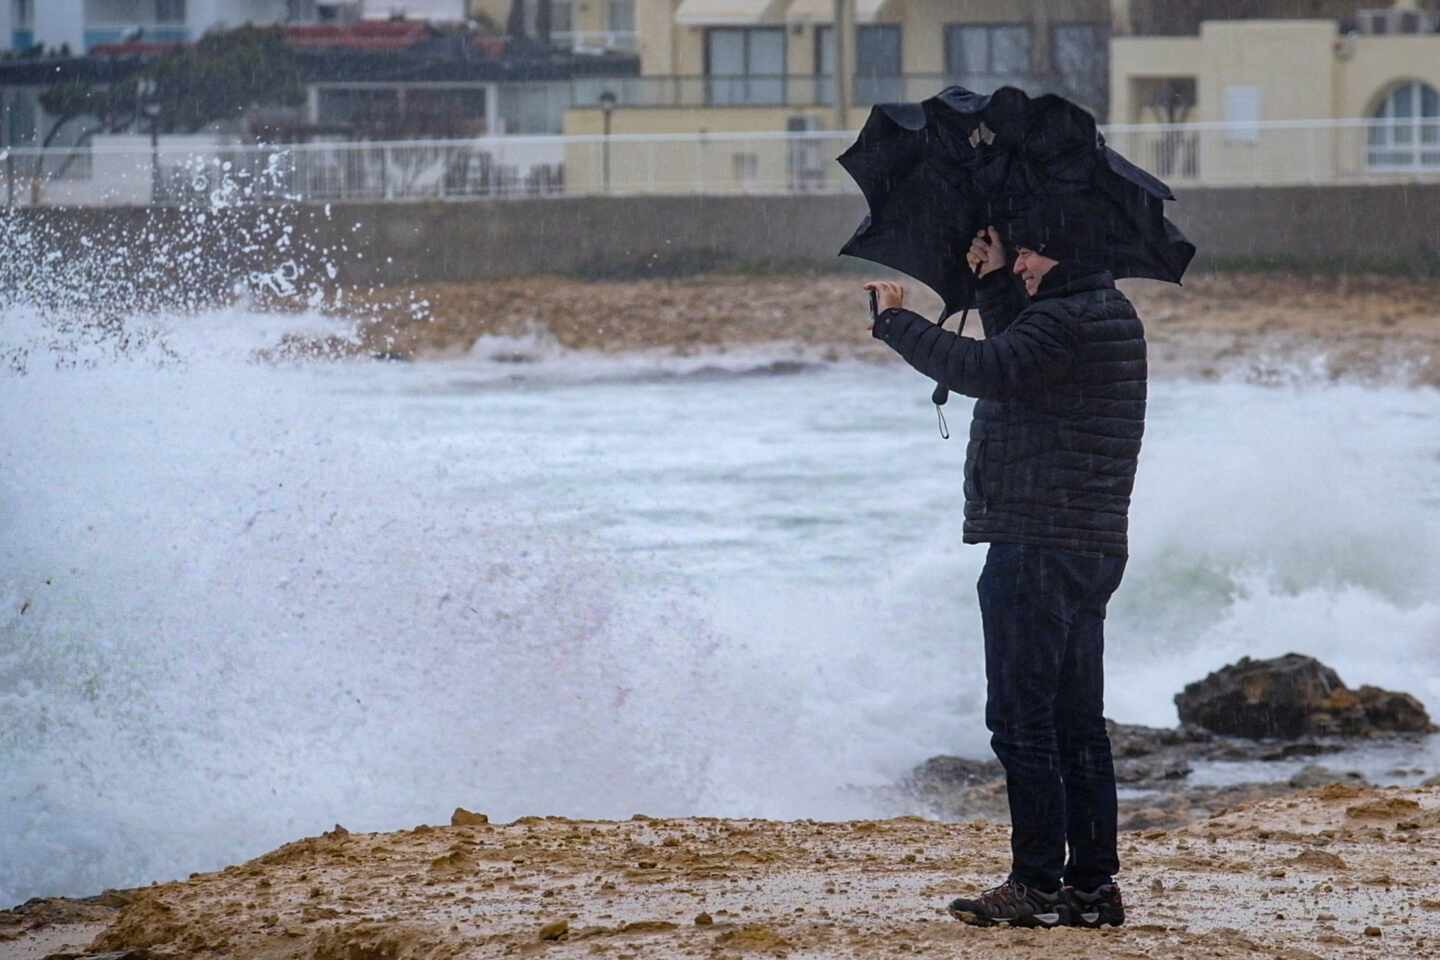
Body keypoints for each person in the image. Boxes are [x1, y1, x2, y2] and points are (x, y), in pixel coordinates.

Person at [862, 203, 1142, 930]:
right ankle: (1091, 886)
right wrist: (990, 284)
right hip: (1088, 543)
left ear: (1065, 253)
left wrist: (896, 320)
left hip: (1036, 542)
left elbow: (987, 367)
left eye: (1030, 255)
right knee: (1077, 724)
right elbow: (1023, 354)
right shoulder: (1102, 312)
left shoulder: (1066, 321)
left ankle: (1036, 883)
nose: (1020, 264)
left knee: (1023, 723)